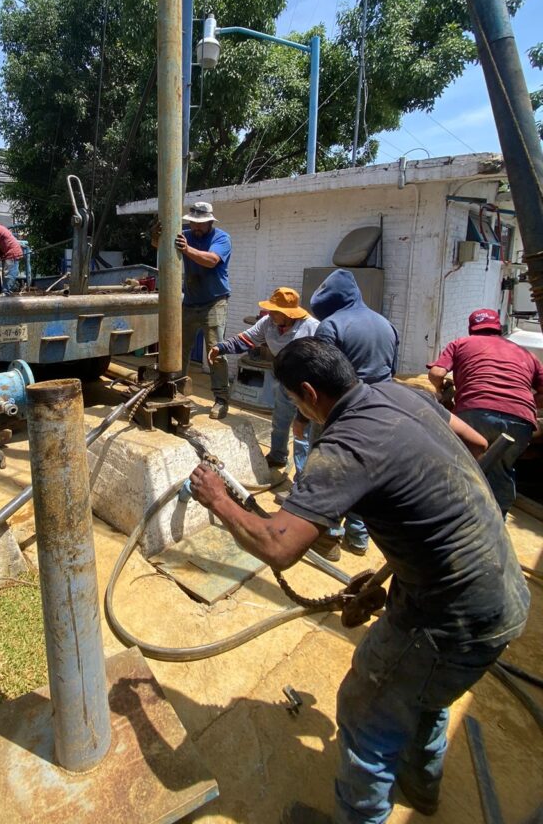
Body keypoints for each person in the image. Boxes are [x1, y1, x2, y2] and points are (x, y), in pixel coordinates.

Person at [189, 338, 529, 824]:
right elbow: (477, 447)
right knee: (425, 694)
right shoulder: (403, 393)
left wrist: (219, 499)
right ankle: (421, 784)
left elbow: (279, 547)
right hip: (503, 587)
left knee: (366, 709)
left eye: (292, 399)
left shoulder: (345, 445)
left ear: (308, 392)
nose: (295, 407)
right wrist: (414, 552)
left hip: (452, 619)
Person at [309, 268, 399, 558]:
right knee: (365, 471)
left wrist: (305, 416)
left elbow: (321, 380)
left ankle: (329, 539)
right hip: (379, 409)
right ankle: (358, 537)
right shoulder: (385, 324)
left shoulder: (331, 326)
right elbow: (392, 371)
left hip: (341, 413)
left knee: (328, 471)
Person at [428, 308, 543, 517]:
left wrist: (442, 388)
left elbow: (436, 373)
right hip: (520, 421)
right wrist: (524, 404)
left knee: (462, 465)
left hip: (474, 413)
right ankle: (496, 522)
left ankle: (455, 518)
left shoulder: (461, 343)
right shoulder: (525, 354)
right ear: (498, 327)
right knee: (501, 470)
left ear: (472, 328)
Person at [208, 287, 318, 473]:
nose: (271, 314)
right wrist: (221, 348)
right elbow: (246, 340)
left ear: (289, 314)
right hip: (285, 382)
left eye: (276, 311)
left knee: (302, 432)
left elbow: (319, 365)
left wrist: (305, 409)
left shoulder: (312, 328)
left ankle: (302, 477)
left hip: (307, 386)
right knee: (280, 422)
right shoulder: (268, 323)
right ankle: (277, 456)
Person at [152, 201, 232, 419]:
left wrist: (186, 249)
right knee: (180, 349)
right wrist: (156, 236)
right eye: (193, 223)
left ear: (209, 222)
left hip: (215, 302)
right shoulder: (186, 235)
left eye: (200, 224)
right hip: (190, 302)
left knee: (215, 352)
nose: (196, 228)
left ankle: (221, 400)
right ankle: (175, 390)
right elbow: (159, 246)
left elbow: (212, 261)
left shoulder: (221, 238)